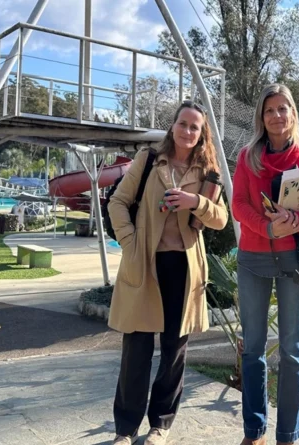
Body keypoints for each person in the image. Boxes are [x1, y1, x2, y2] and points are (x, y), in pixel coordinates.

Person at [107, 101, 229, 445]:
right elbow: (117, 202)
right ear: (172, 126)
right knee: (136, 349)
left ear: (201, 134)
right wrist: (129, 242)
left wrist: (196, 203)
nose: (188, 131)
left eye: (195, 127)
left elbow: (220, 219)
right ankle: (125, 430)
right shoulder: (148, 160)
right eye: (183, 123)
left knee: (174, 352)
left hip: (185, 269)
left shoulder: (207, 171)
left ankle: (160, 425)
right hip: (145, 263)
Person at [232, 84, 299, 445]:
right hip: (253, 258)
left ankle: (287, 435)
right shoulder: (248, 157)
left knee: (292, 349)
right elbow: (239, 205)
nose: (277, 115)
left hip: (294, 258)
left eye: (283, 108)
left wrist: (297, 220)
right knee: (253, 348)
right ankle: (254, 432)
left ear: (293, 113)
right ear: (262, 116)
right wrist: (268, 228)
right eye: (270, 109)